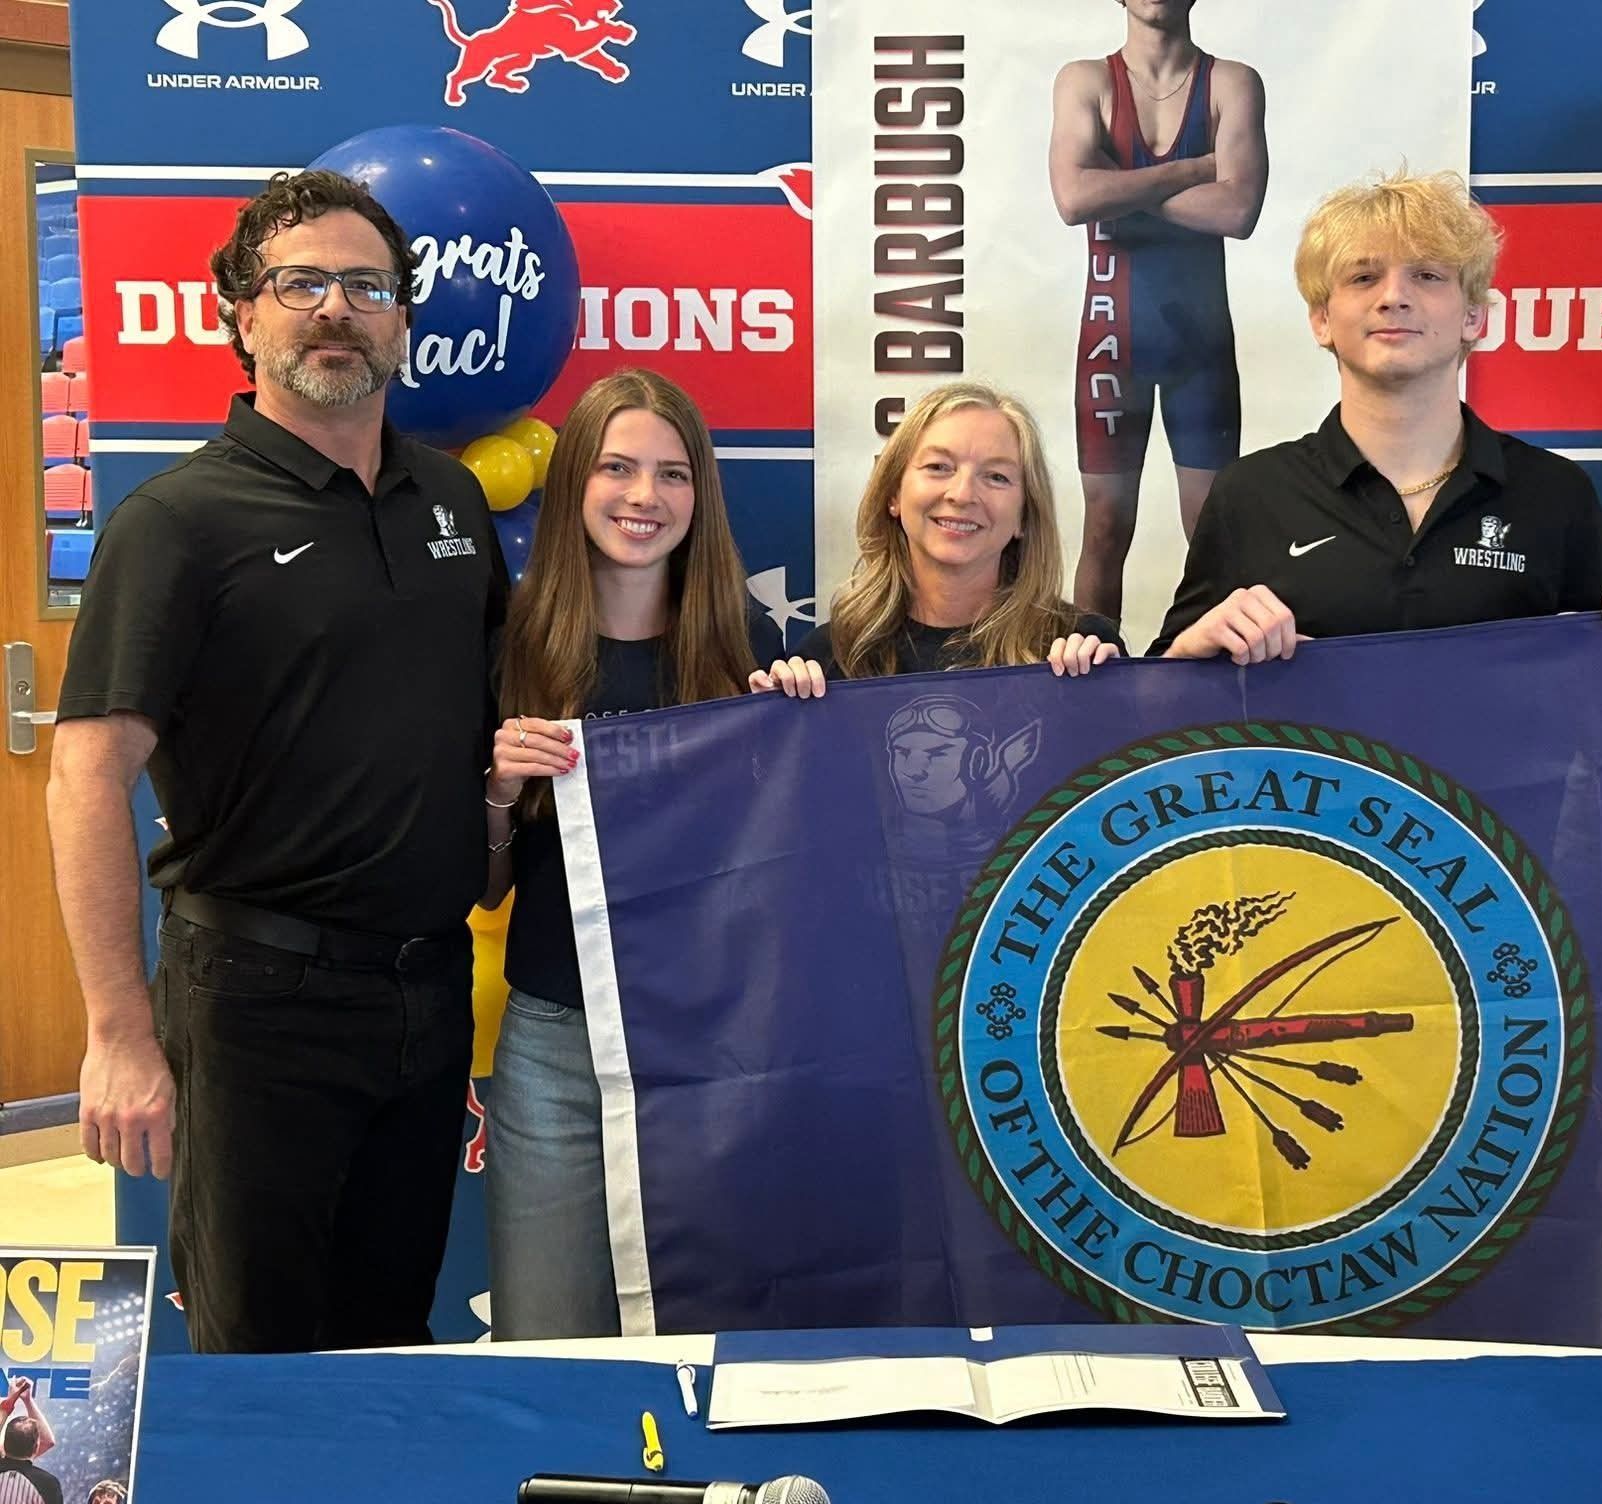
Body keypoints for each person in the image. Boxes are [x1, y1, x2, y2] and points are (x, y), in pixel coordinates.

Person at [47, 170, 504, 1352]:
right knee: (262, 1362)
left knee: (391, 1342)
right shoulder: (177, 522)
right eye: (300, 283)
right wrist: (116, 1033)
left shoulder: (451, 502)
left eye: (366, 286)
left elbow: (482, 740)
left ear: (401, 319)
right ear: (241, 314)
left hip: (428, 989)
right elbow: (87, 777)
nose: (336, 309)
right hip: (256, 1005)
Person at [479, 369, 783, 1341]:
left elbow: (790, 870)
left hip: (713, 1046)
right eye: (616, 468)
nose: (643, 496)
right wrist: (498, 787)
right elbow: (486, 883)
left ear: (700, 495)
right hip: (558, 1047)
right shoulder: (514, 643)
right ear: (574, 480)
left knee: (716, 1340)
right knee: (549, 1339)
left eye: (672, 473)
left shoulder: (747, 644)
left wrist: (797, 733)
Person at [1150, 170, 1602, 663]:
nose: (1393, 297)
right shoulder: (1250, 493)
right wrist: (1189, 649)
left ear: (1473, 317)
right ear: (1322, 320)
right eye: (1364, 278)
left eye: (1427, 275)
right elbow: (1161, 690)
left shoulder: (1556, 494)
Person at [1050, 0, 1268, 624]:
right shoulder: (1086, 80)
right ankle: (1095, 669)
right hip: (1112, 341)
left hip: (1200, 349)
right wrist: (1195, 170)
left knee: (1211, 534)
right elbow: (1073, 199)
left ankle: (1211, 673)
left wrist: (1118, 190)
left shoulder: (1231, 83)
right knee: (1104, 528)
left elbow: (1237, 212)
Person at [791, 381, 1123, 683]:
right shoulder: (829, 659)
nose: (962, 495)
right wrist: (781, 705)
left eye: (996, 476)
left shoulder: (1083, 650)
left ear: (1024, 515)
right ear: (893, 494)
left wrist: (1108, 692)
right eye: (939, 467)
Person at [0, 1380, 63, 1504]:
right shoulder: (47, 1483)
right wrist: (28, 1401)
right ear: (35, 1448)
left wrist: (9, 1403)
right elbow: (48, 1441)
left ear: (4, 1445)